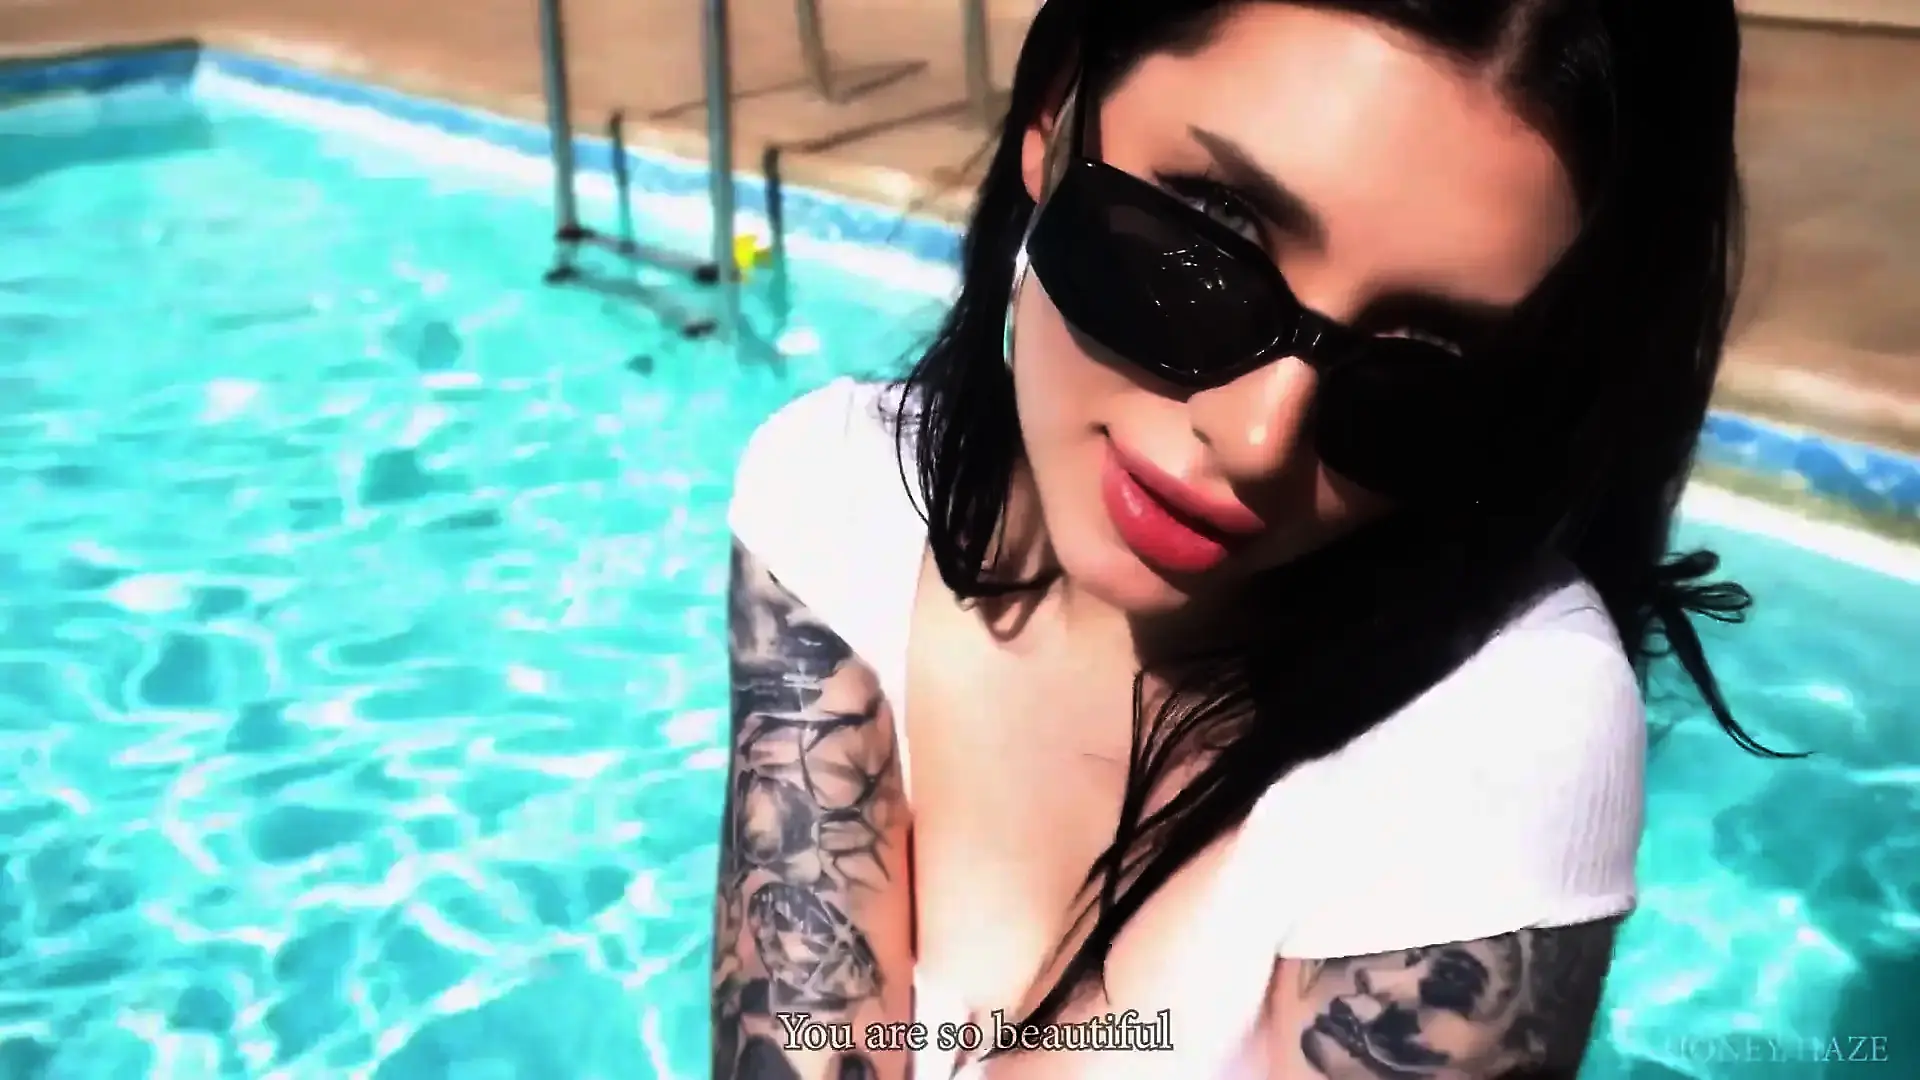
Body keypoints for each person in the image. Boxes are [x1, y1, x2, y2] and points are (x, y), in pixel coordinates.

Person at [711, 1, 1786, 1077]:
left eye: (1425, 372)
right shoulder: (841, 498)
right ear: (1055, 112)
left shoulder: (1504, 722)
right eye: (1206, 245)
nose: (1259, 437)